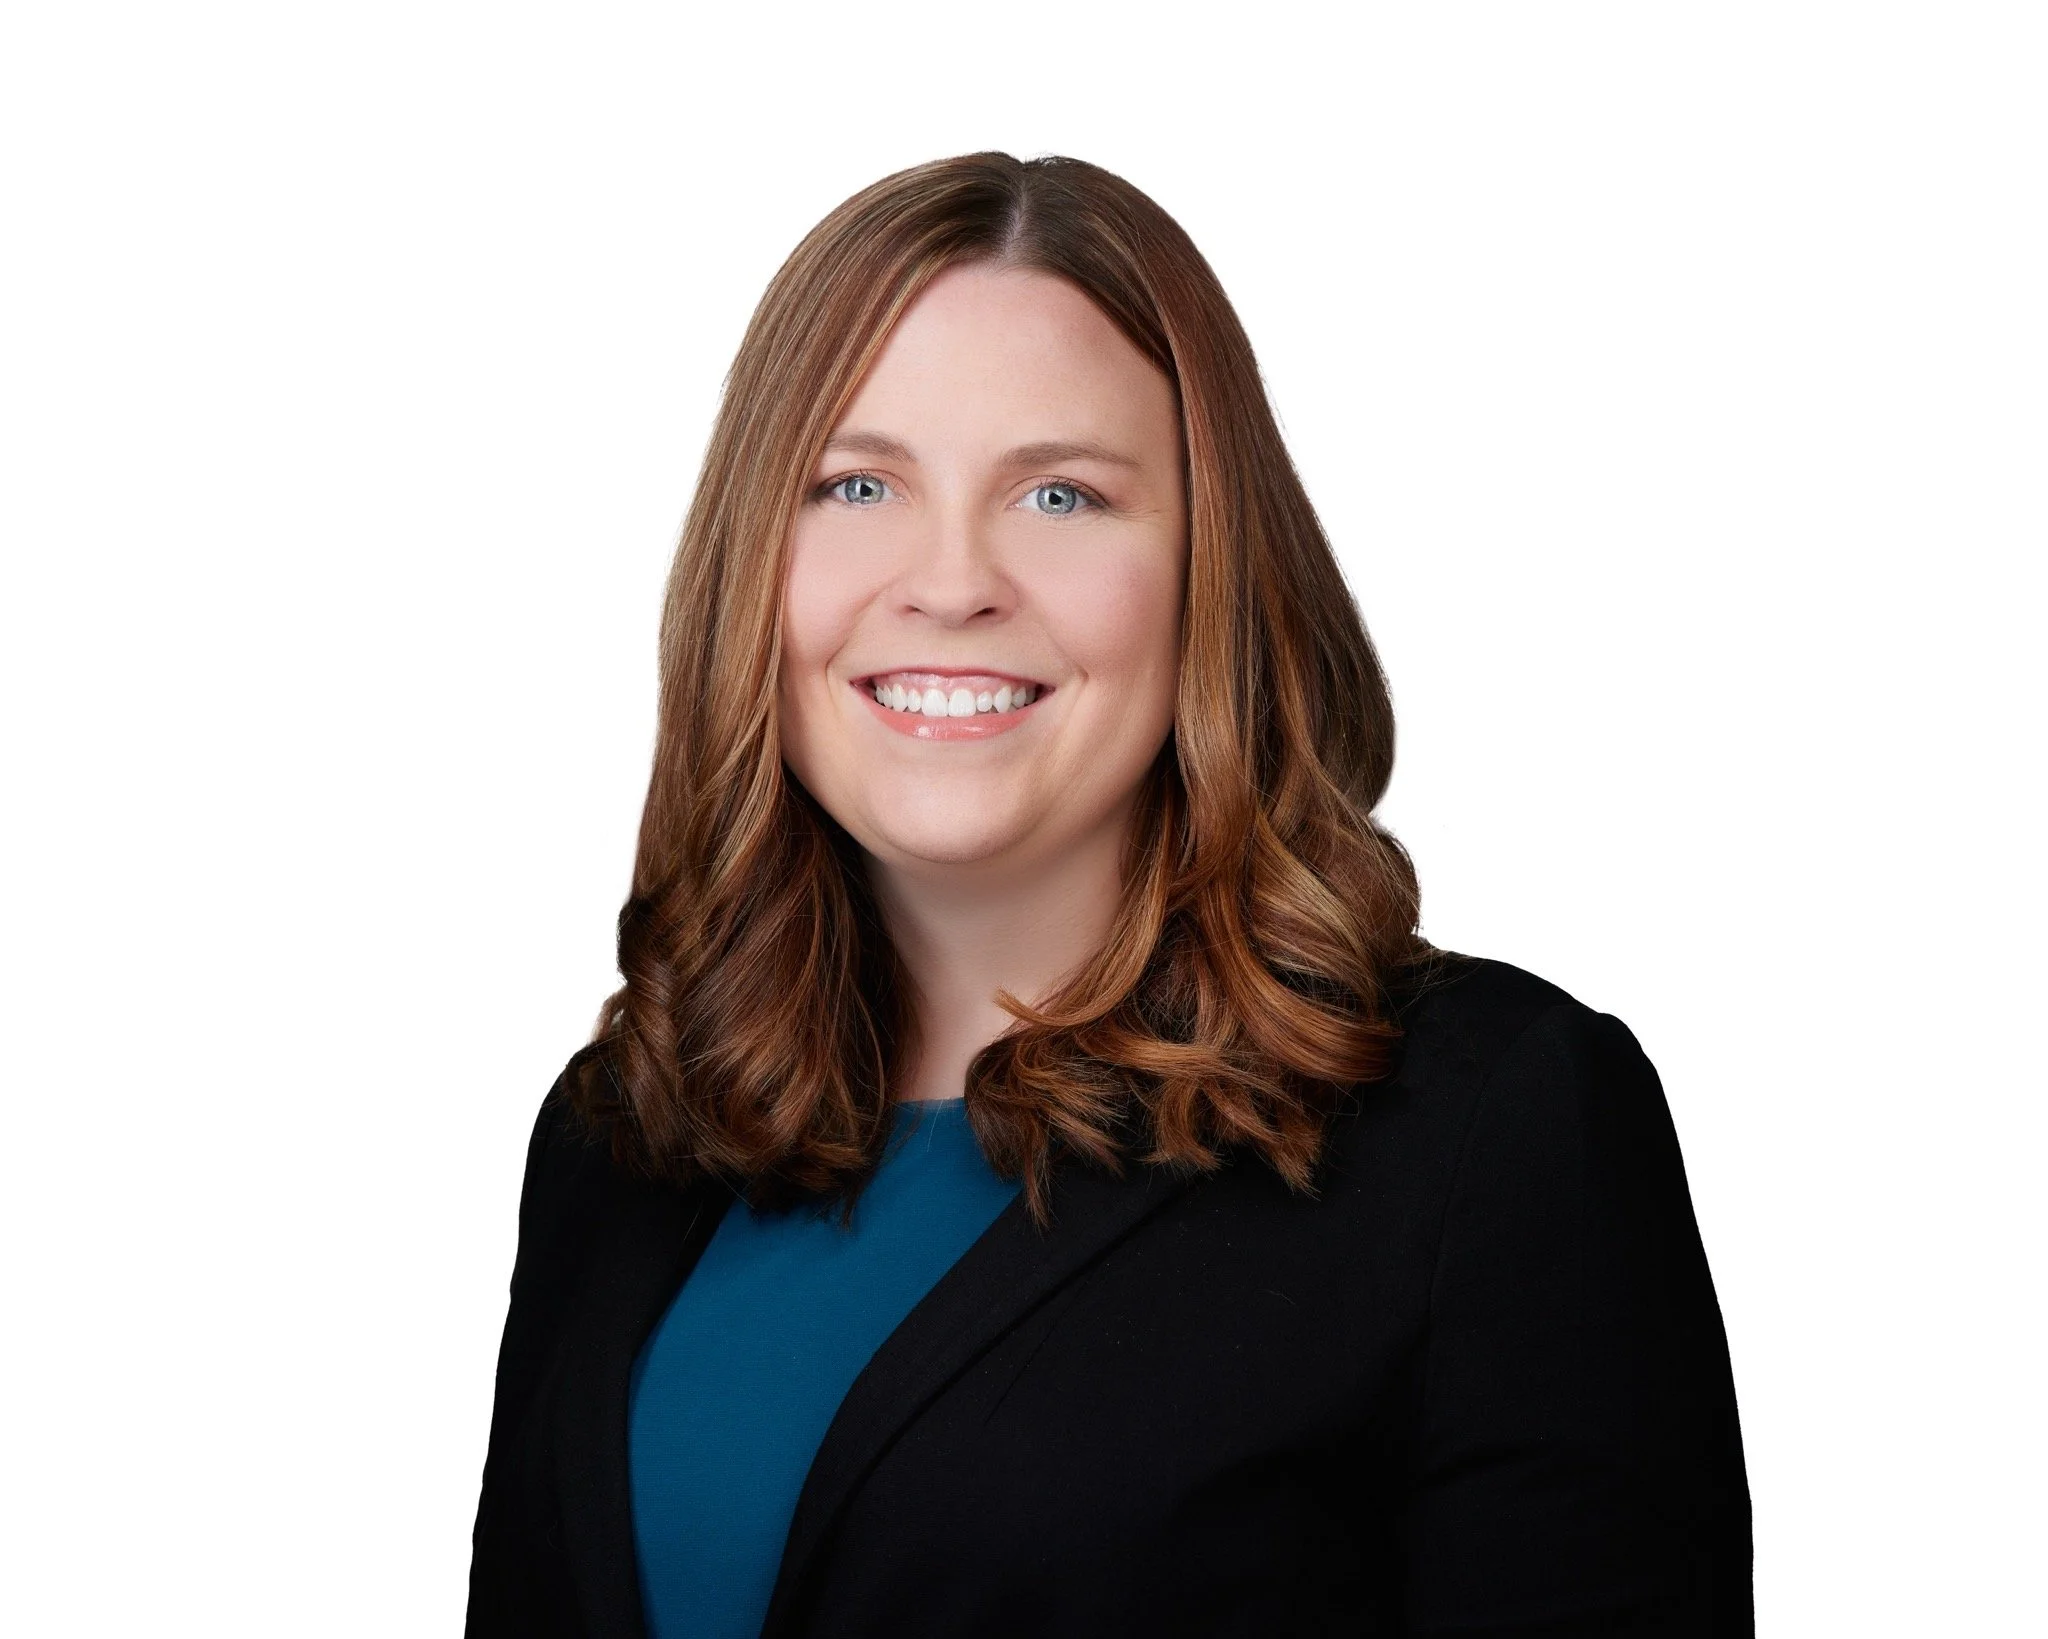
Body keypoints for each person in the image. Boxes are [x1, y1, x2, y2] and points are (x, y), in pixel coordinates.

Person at [465, 152, 1751, 1638]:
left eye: (1062, 492)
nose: (950, 582)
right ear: (752, 564)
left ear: (1212, 571)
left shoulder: (1491, 1125)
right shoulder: (621, 1134)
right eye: (856, 483)